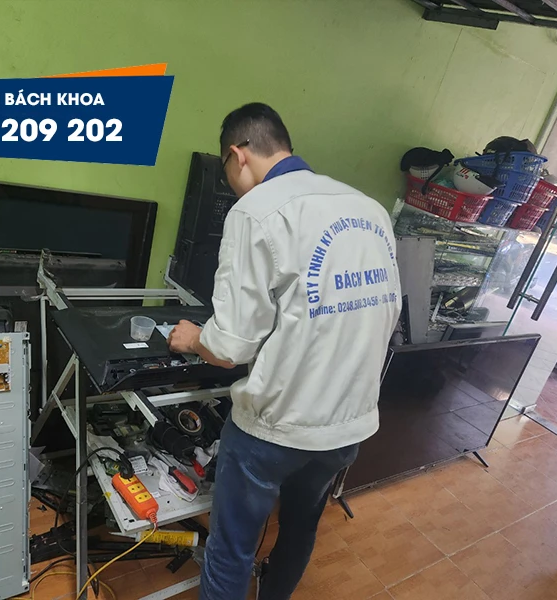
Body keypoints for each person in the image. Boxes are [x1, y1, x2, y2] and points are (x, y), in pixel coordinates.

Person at [167, 103, 401, 600]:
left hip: (276, 428)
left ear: (237, 155)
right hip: (348, 425)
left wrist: (191, 338)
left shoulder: (255, 211)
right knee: (299, 528)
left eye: (227, 171)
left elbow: (229, 347)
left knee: (231, 548)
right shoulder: (369, 208)